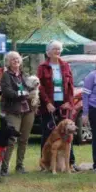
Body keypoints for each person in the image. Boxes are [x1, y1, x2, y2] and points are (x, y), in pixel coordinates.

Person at [37, 40, 78, 171]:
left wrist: (69, 102)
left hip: (63, 104)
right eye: (54, 49)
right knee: (48, 133)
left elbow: (71, 85)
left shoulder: (65, 65)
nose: (57, 51)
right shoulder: (42, 67)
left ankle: (70, 163)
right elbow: (40, 86)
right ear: (48, 52)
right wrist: (47, 102)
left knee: (68, 133)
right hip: (48, 104)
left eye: (59, 49)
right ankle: (46, 163)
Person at [0, 51, 35, 175]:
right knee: (11, 139)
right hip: (13, 111)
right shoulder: (6, 75)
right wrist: (24, 94)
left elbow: (31, 88)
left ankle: (20, 166)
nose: (16, 61)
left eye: (17, 59)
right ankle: (4, 168)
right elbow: (8, 92)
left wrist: (34, 87)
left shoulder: (24, 75)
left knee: (24, 139)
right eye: (13, 59)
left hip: (28, 110)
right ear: (8, 62)